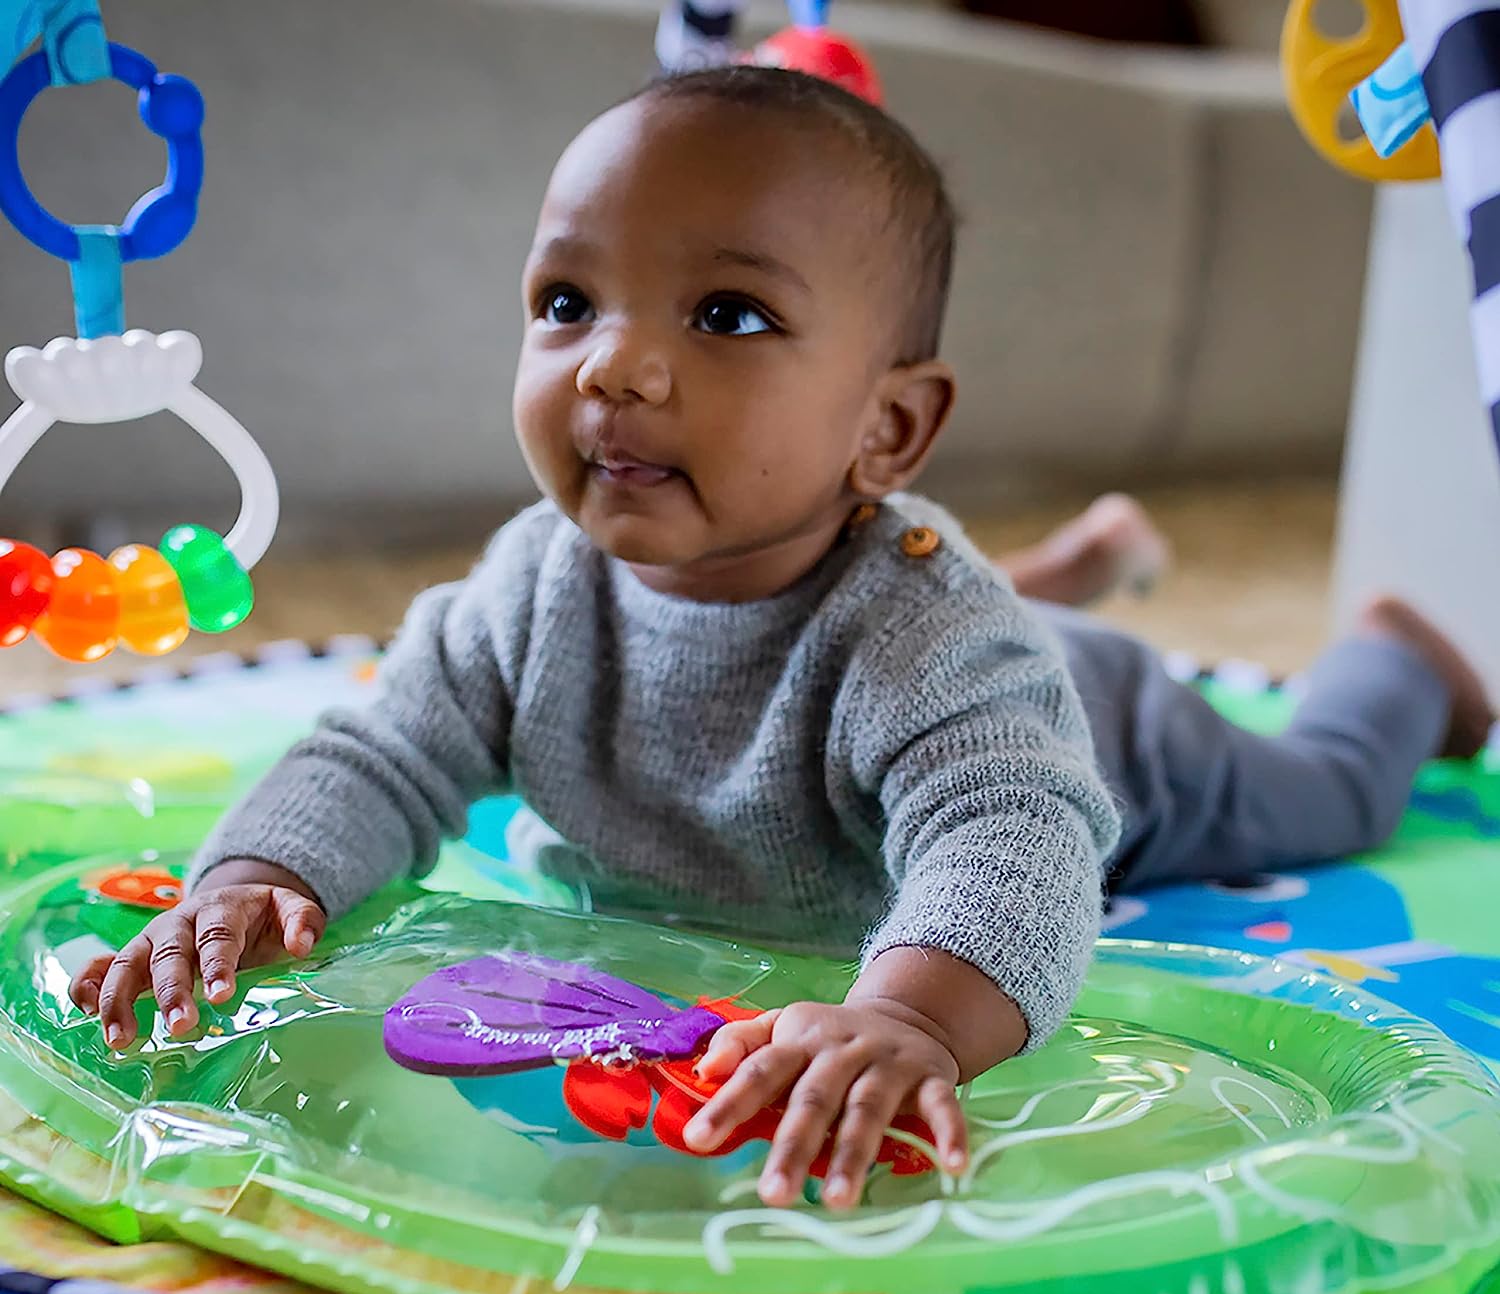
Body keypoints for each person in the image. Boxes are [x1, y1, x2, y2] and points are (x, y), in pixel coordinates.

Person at [71, 66, 1493, 1212]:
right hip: (946, 627)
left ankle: (1398, 662)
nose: (613, 363)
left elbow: (1013, 837)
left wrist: (918, 1022)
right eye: (568, 302)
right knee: (984, 624)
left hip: (1111, 740)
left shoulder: (928, 647)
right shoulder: (529, 587)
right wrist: (258, 874)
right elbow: (380, 747)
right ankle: (1067, 571)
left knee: (1328, 788)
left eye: (728, 314)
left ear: (888, 427)